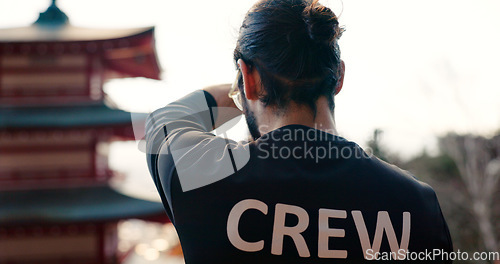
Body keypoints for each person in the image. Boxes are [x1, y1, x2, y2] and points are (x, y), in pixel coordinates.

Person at [145, 0, 453, 263]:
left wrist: (247, 83)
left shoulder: (199, 175)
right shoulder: (414, 202)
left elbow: (165, 119)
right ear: (339, 76)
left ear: (248, 80)